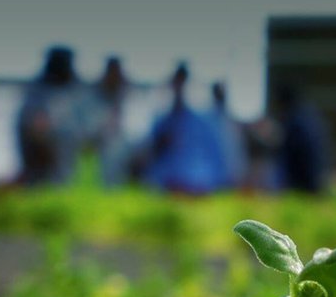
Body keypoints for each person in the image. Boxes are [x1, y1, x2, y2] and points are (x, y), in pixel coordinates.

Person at [145, 63, 229, 195]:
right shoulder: (162, 121)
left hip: (199, 187)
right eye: (176, 83)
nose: (179, 88)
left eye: (182, 83)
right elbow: (152, 158)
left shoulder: (204, 122)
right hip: (167, 187)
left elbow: (217, 159)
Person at [16, 46, 89, 185]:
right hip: (39, 151)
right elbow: (33, 123)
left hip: (68, 150)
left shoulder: (77, 89)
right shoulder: (37, 88)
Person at [273, 84, 329, 193]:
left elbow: (294, 151)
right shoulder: (309, 114)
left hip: (304, 176)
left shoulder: (296, 119)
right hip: (314, 173)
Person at [88, 55, 130, 186]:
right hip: (96, 143)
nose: (113, 77)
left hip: (122, 147)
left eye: (116, 73)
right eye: (111, 72)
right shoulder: (92, 97)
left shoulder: (129, 97)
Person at [206, 81, 245, 188]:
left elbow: (237, 150)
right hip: (211, 175)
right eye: (219, 93)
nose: (221, 96)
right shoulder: (207, 120)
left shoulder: (231, 120)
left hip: (231, 173)